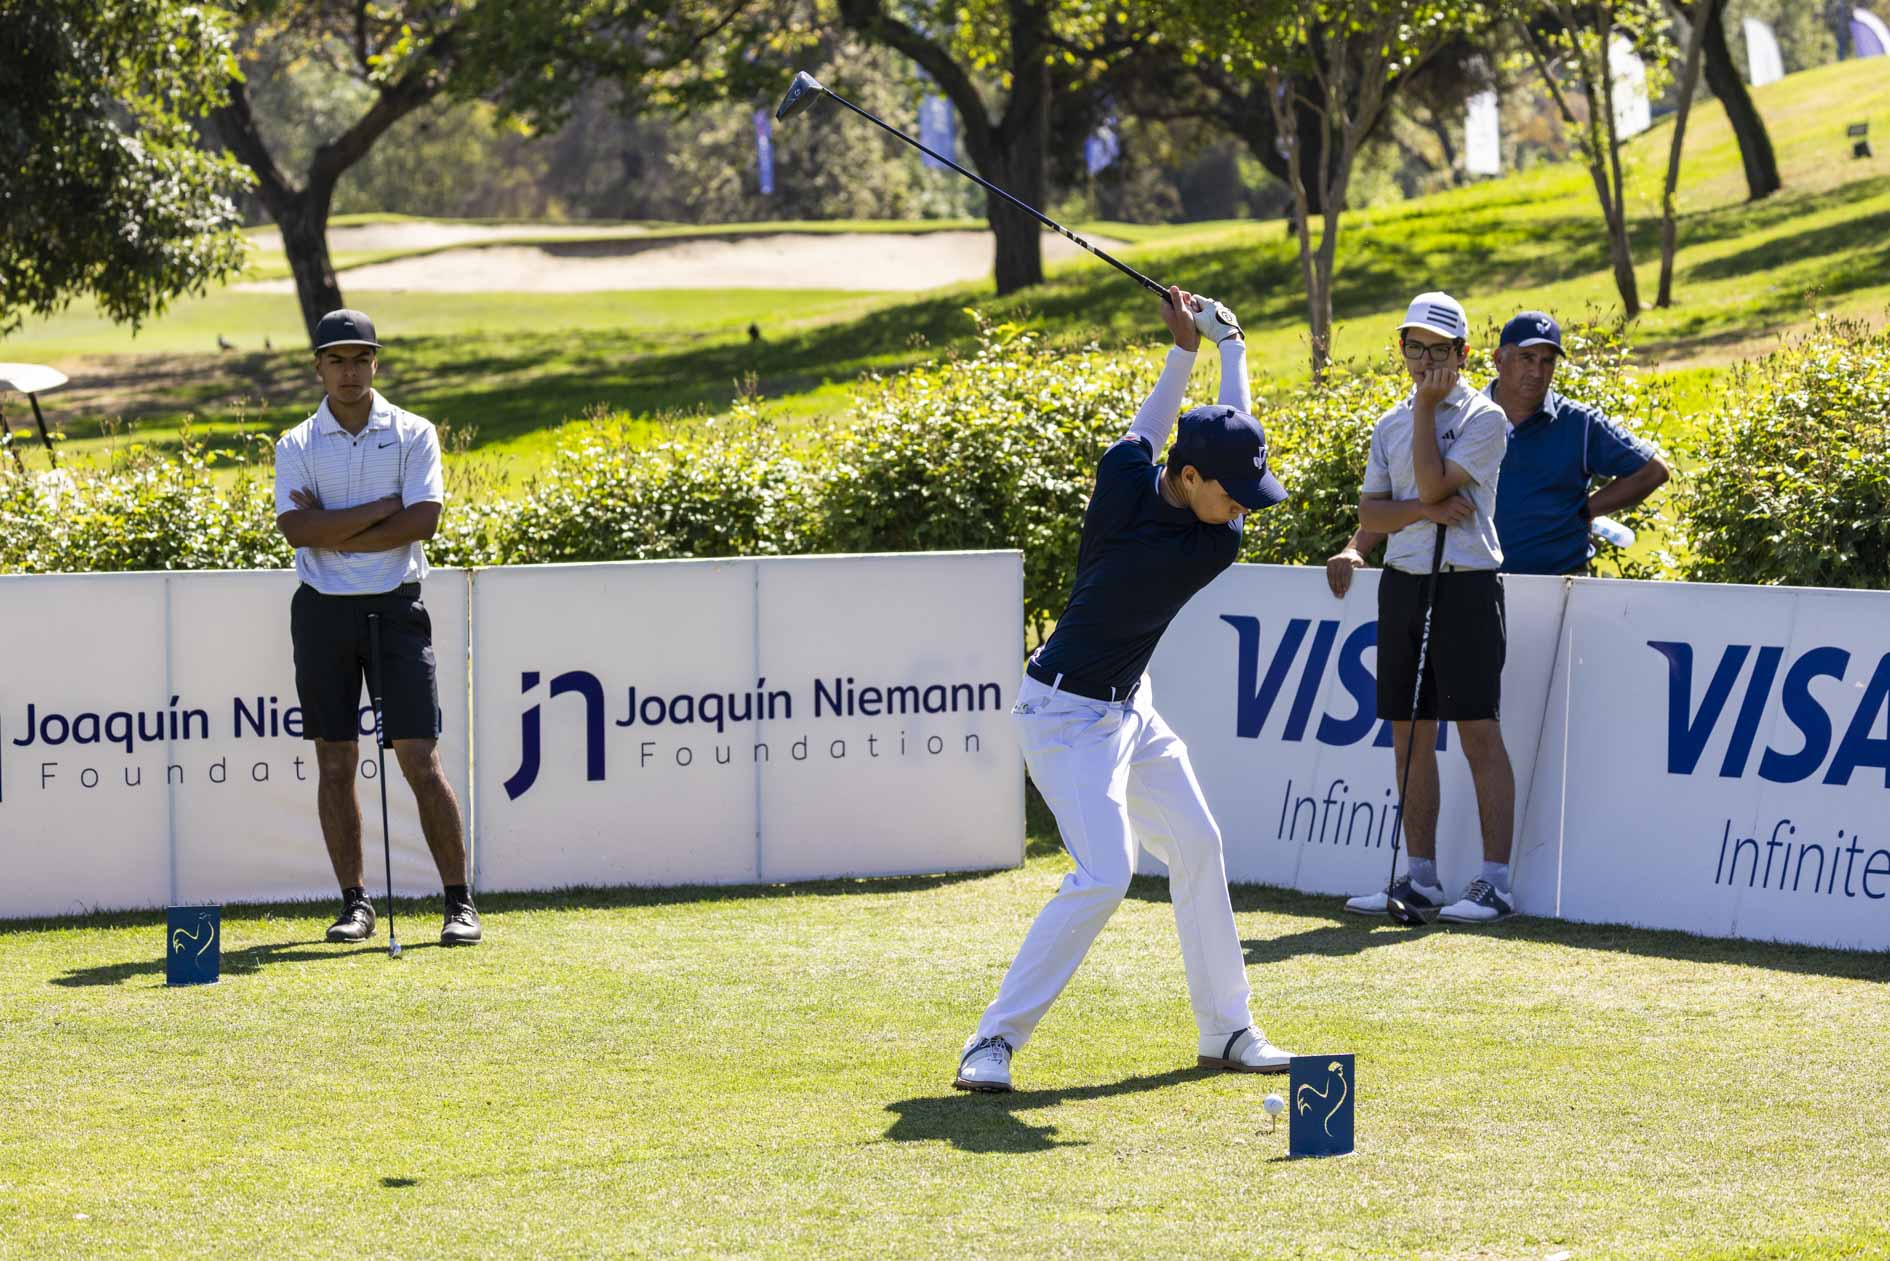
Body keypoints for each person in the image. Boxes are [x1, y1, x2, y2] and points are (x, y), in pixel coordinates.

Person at [955, 287, 1296, 1093]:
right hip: (1061, 714)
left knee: (1199, 843)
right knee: (1108, 871)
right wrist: (1193, 350)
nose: (1242, 507)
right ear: (1188, 476)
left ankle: (1227, 1028)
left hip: (1129, 708)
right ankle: (992, 1041)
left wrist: (1221, 347)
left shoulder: (1200, 522)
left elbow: (1199, 433)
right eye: (1232, 492)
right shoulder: (1166, 517)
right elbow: (1153, 427)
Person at [273, 309, 480, 947]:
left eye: (360, 359)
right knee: (335, 760)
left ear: (375, 363)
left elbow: (424, 521)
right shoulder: (295, 444)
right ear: (318, 367)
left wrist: (337, 529)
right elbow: (297, 530)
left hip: (396, 606)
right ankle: (355, 904)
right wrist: (382, 510)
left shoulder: (414, 432)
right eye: (337, 360)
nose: (350, 372)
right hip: (322, 611)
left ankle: (459, 902)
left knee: (419, 757)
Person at [1338, 293, 1517, 926]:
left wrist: (1423, 412)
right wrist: (1419, 510)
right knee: (1409, 734)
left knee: (1477, 732)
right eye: (1415, 347)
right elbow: (1373, 512)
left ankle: (1495, 883)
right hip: (1405, 583)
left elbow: (1438, 480)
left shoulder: (1486, 417)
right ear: (1402, 348)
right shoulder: (1389, 423)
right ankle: (1421, 879)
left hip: (1466, 584)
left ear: (1463, 355)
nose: (1425, 360)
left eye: (1439, 350)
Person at [1325, 310, 1669, 590]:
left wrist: (1583, 510)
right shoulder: (1464, 417)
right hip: (1472, 584)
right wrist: (1355, 549)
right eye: (1526, 358)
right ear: (1498, 359)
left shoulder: (1578, 423)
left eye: (1547, 361)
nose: (1537, 371)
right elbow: (1410, 492)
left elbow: (1652, 471)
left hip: (1560, 585)